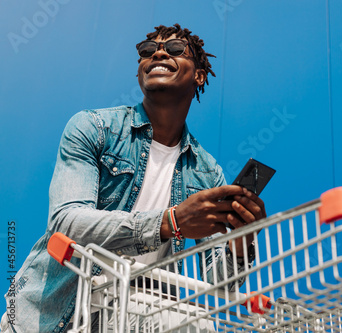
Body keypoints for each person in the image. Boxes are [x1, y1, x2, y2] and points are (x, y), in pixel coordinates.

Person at [1, 23, 265, 332]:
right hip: (49, 317)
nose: (160, 53)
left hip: (136, 315)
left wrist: (241, 240)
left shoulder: (208, 172)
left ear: (199, 76)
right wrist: (171, 221)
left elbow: (218, 283)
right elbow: (66, 221)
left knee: (198, 326)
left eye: (176, 49)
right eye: (147, 51)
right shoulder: (94, 128)